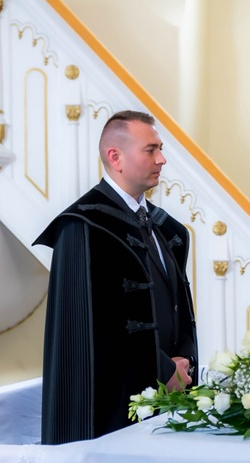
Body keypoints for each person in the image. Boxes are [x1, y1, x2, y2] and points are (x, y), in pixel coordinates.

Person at [34, 110, 198, 444]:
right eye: (150, 150)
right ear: (115, 157)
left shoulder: (166, 229)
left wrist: (184, 363)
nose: (162, 159)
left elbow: (179, 306)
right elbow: (97, 325)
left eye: (160, 149)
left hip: (168, 399)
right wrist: (164, 370)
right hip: (112, 406)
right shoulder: (83, 228)